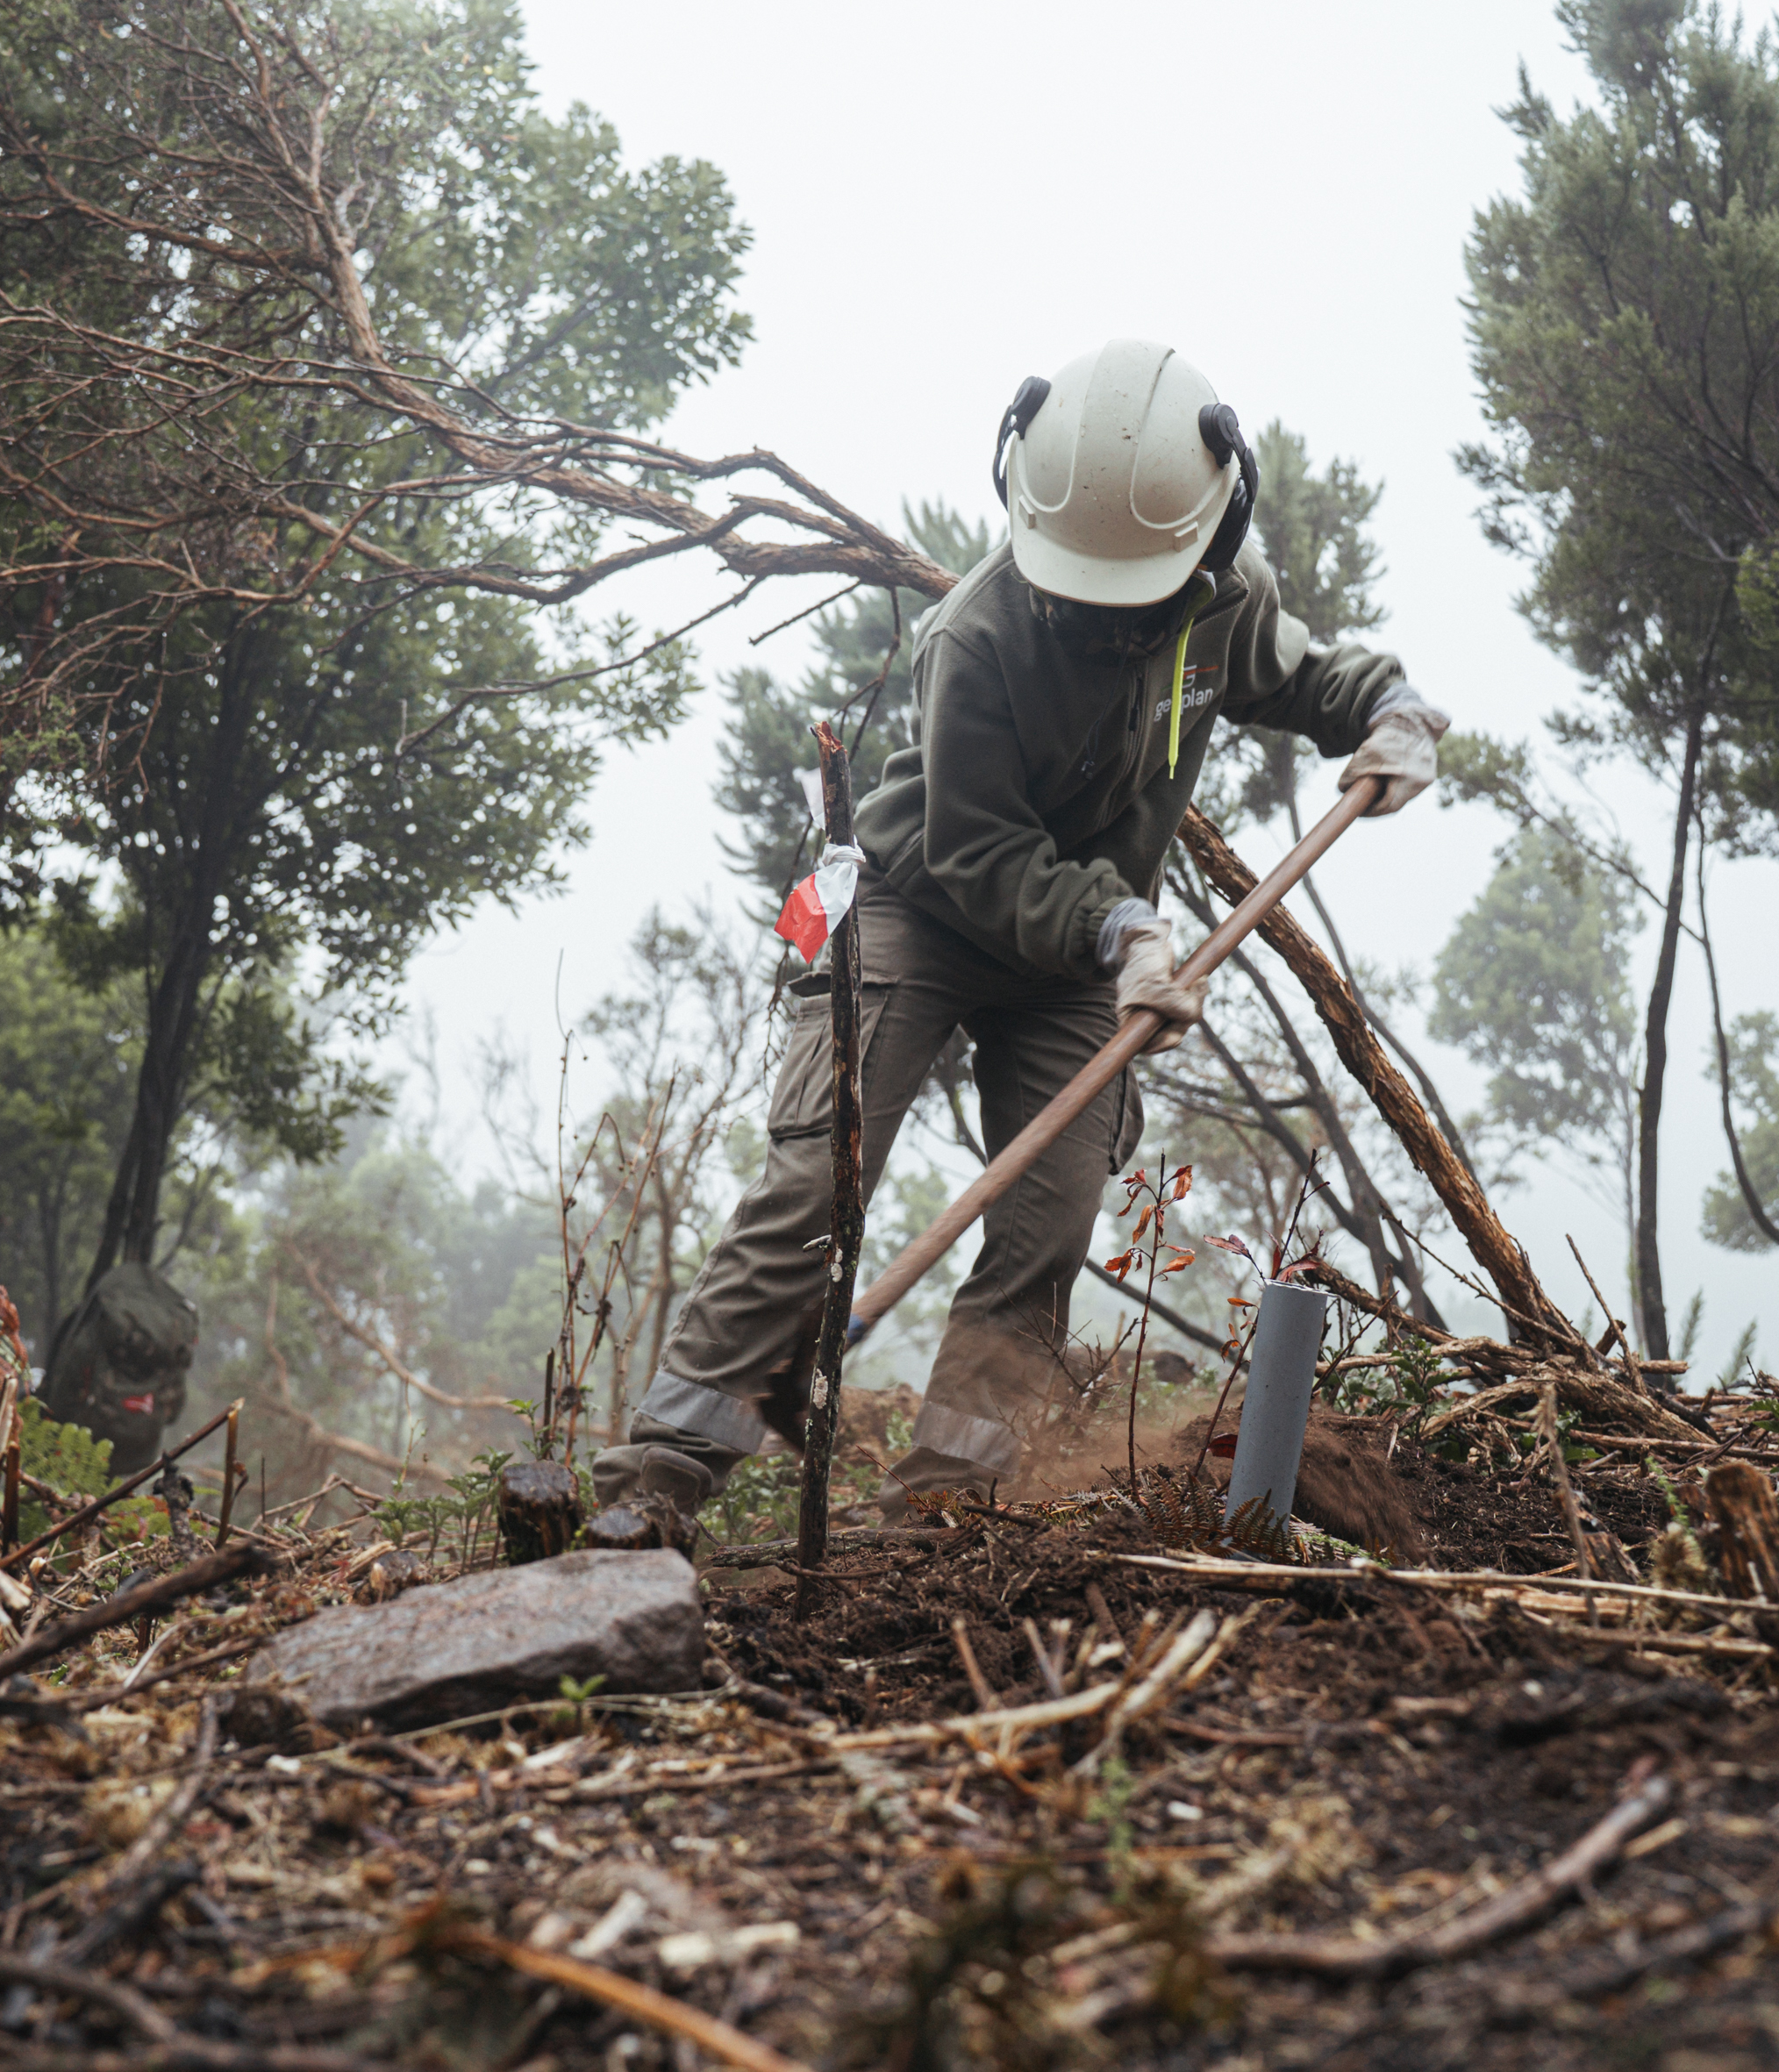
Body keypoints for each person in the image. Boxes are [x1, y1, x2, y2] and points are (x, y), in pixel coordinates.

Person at [588, 339, 1447, 1518]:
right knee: (814, 1190)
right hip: (925, 907)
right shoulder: (975, 636)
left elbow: (1298, 676)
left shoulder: (1219, 597)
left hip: (1080, 958)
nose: (1100, 619)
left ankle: (944, 1501)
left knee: (1049, 1221)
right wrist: (1124, 930)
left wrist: (1384, 704)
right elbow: (980, 850)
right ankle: (657, 1481)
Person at [39, 1261, 199, 1476]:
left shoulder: (98, 1329)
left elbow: (62, 1395)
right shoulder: (167, 1346)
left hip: (81, 1448)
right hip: (141, 1455)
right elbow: (173, 1412)